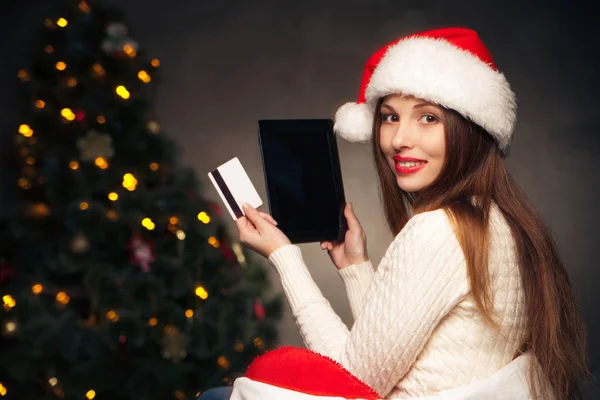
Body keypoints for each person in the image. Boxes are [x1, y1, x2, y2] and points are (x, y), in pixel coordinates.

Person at [202, 27, 588, 400]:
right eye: (390, 117)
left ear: (471, 129)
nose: (400, 140)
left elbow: (350, 383)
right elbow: (391, 345)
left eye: (428, 118)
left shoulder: (439, 231)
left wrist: (284, 257)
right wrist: (355, 267)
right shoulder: (494, 217)